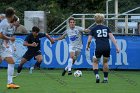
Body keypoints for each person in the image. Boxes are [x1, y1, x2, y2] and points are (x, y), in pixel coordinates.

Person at [86, 13, 120, 83]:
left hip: (98, 47)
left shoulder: (93, 29)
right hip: (107, 47)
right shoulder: (107, 28)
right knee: (105, 62)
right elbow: (113, 38)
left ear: (95, 20)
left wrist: (88, 46)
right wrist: (117, 47)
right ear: (103, 20)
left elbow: (89, 40)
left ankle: (97, 75)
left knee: (95, 62)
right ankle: (105, 79)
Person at [0, 7, 20, 89]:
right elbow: (0, 35)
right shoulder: (3, 24)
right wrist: (9, 39)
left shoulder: (8, 21)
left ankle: (10, 83)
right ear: (12, 15)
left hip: (2, 46)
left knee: (11, 62)